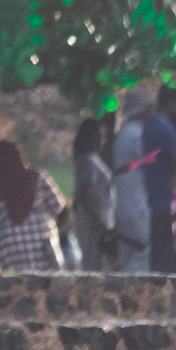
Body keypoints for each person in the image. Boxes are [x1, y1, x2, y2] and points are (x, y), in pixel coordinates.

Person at [0, 139, 65, 269]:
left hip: (10, 249)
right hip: (44, 245)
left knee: (18, 286)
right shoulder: (38, 177)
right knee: (48, 285)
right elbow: (61, 210)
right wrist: (56, 233)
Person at [142, 85, 176, 270]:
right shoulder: (164, 130)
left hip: (149, 201)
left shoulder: (150, 125)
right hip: (161, 203)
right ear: (173, 103)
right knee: (164, 262)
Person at [111, 110, 155, 273]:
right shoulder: (136, 133)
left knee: (127, 255)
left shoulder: (123, 132)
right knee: (143, 253)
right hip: (136, 207)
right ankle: (129, 287)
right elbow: (151, 160)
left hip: (122, 205)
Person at [71, 116, 115, 270]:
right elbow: (84, 195)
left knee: (101, 264)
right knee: (92, 263)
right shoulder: (86, 161)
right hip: (92, 220)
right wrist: (98, 220)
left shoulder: (94, 159)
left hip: (101, 217)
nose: (102, 141)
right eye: (99, 137)